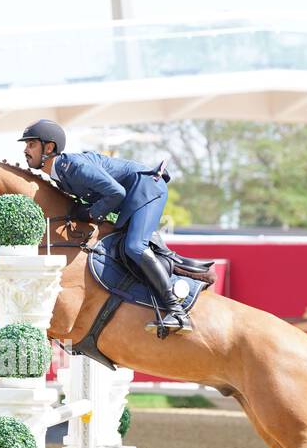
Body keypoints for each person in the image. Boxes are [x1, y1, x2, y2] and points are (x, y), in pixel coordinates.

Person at [18, 118, 202, 335]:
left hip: (146, 189)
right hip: (132, 197)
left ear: (49, 147)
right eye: (26, 145)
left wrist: (91, 213)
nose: (25, 150)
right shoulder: (60, 175)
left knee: (134, 247)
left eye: (31, 144)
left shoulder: (73, 167)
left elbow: (116, 193)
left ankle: (177, 310)